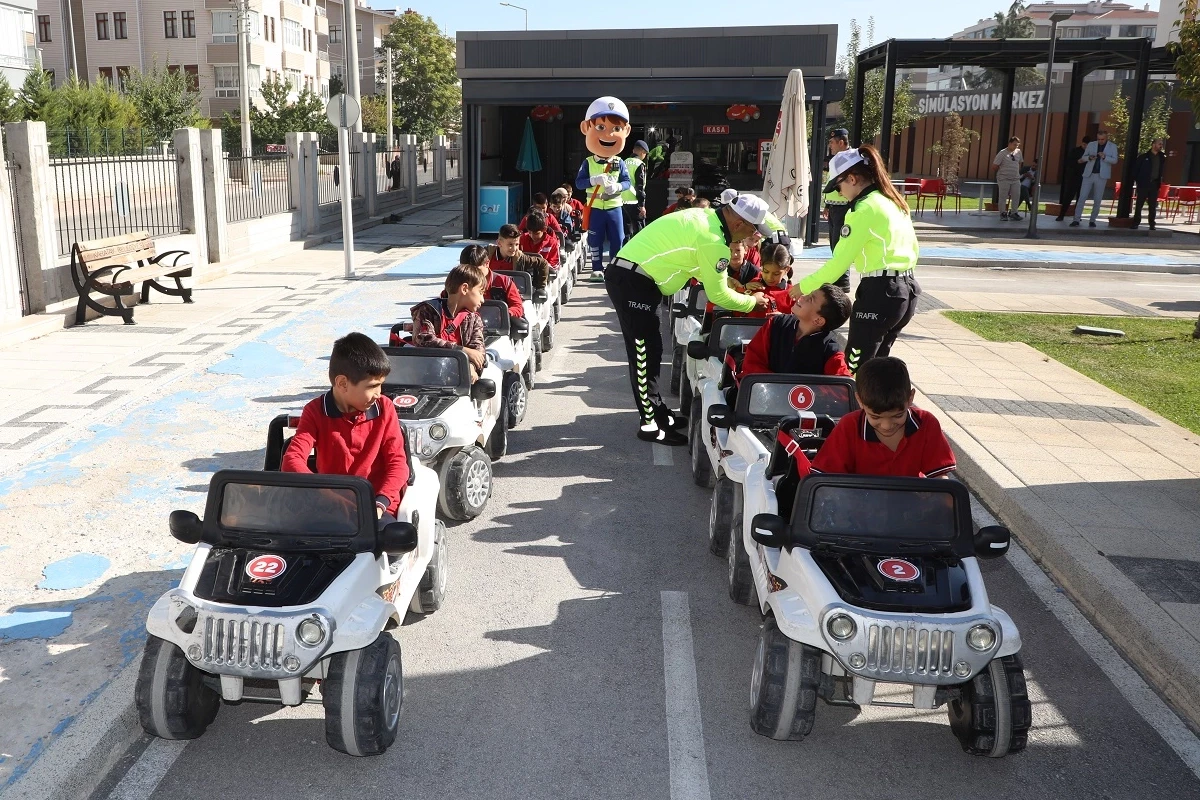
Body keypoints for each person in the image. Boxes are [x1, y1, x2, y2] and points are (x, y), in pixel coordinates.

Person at [607, 190, 788, 445]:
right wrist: (752, 302)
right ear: (738, 223)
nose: (752, 237)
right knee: (643, 353)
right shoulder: (714, 241)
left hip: (635, 279)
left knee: (653, 350)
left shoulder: (707, 217)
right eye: (751, 231)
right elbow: (720, 296)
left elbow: (699, 265)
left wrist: (730, 282)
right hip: (633, 282)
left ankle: (658, 414)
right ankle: (649, 424)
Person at [789, 144, 920, 375]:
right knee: (877, 368)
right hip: (906, 291)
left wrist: (801, 288)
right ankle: (874, 410)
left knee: (853, 369)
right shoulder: (892, 200)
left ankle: (855, 410)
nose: (839, 193)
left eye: (838, 186)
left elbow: (838, 265)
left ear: (851, 179)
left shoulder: (863, 210)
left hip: (880, 292)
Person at [282, 333, 411, 523]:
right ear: (342, 383)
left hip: (376, 508)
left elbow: (397, 464)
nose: (379, 394)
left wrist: (379, 504)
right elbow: (292, 459)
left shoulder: (384, 408)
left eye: (381, 385)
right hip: (331, 508)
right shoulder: (315, 411)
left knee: (389, 542)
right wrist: (327, 495)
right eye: (373, 386)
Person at [810, 356, 956, 478]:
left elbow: (939, 478)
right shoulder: (849, 425)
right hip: (860, 508)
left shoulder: (926, 423)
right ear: (859, 401)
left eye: (898, 415)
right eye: (875, 417)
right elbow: (827, 478)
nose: (887, 425)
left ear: (910, 398)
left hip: (911, 506)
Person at [740, 283, 853, 379]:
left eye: (810, 299)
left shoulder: (830, 350)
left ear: (818, 320)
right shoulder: (776, 323)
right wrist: (777, 387)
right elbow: (751, 363)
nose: (803, 297)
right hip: (763, 397)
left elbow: (843, 385)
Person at [575, 96, 632, 282]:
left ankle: (615, 269)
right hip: (596, 207)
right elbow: (579, 183)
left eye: (616, 129)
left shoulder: (619, 162)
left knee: (618, 239)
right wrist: (593, 179)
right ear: (586, 128)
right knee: (595, 239)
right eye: (600, 127)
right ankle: (597, 268)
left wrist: (617, 186)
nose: (609, 135)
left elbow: (627, 182)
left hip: (615, 206)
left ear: (626, 131)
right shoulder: (588, 162)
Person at [411, 264, 487, 380]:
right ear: (464, 289)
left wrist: (471, 367)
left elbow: (478, 352)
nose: (483, 299)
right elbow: (424, 339)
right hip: (424, 377)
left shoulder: (474, 319)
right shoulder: (428, 310)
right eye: (480, 292)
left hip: (457, 380)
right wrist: (463, 351)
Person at [448, 244, 524, 320]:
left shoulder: (505, 282)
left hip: (498, 326)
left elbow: (518, 307)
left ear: (487, 263)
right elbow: (446, 303)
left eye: (476, 270)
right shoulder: (458, 283)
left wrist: (503, 313)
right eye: (467, 270)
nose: (472, 274)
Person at [823, 128, 853, 292]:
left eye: (832, 142)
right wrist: (828, 204)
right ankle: (840, 277)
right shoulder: (838, 159)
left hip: (844, 207)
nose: (830, 146)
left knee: (841, 245)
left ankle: (843, 280)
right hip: (835, 207)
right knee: (834, 245)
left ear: (841, 142)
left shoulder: (849, 158)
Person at [1073, 129, 1118, 228]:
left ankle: (1092, 220)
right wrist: (1089, 158)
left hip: (1101, 176)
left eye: (1102, 139)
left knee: (1097, 199)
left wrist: (1105, 157)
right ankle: (1076, 219)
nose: (1100, 141)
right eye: (1099, 139)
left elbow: (1115, 160)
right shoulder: (1091, 145)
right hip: (1089, 174)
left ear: (1106, 138)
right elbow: (1083, 157)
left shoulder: (1112, 146)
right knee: (1082, 197)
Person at [488, 224, 551, 292]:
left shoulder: (521, 258)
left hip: (512, 294)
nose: (514, 248)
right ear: (499, 243)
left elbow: (543, 263)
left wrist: (540, 288)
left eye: (517, 244)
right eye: (510, 244)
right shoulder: (487, 255)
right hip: (489, 294)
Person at [742, 243, 795, 318]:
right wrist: (744, 289)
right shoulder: (753, 285)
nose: (770, 278)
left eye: (776, 274)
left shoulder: (792, 293)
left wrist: (783, 318)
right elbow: (737, 312)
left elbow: (799, 322)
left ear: (787, 269)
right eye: (766, 271)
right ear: (761, 265)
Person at [1132, 138, 1167, 231]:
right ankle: (1136, 223)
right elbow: (1136, 170)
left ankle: (1152, 224)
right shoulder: (1143, 157)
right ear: (1153, 144)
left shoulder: (1161, 157)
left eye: (1161, 144)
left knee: (1152, 206)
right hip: (1143, 184)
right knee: (1139, 205)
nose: (1161, 146)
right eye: (1159, 144)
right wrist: (1139, 181)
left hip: (1154, 184)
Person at [1056, 135, 1090, 221]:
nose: (1087, 147)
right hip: (1073, 177)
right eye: (1086, 145)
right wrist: (1078, 161)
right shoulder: (1075, 151)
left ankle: (1077, 216)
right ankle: (1061, 215)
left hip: (1084, 178)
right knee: (1068, 197)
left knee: (1081, 198)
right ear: (1083, 143)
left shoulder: (1090, 153)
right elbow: (1069, 162)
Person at [991, 136, 1023, 221]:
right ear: (1009, 144)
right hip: (1004, 178)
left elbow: (1019, 163)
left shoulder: (1018, 152)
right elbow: (994, 166)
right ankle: (1003, 213)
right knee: (1003, 196)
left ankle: (1014, 212)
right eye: (1014, 144)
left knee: (1016, 195)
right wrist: (1003, 172)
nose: (1016, 146)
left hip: (1015, 179)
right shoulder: (1002, 153)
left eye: (1017, 145)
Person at [623, 139, 649, 241]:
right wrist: (642, 205)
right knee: (639, 231)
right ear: (642, 152)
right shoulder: (639, 164)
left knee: (626, 230)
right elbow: (640, 186)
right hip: (634, 201)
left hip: (622, 201)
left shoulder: (623, 162)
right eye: (645, 154)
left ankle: (624, 254)